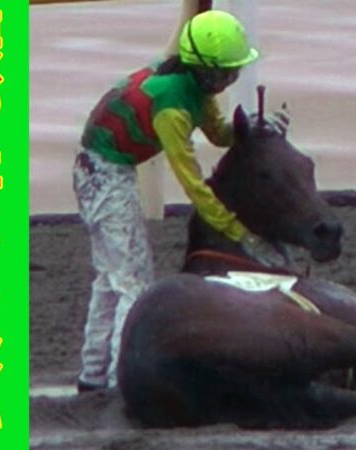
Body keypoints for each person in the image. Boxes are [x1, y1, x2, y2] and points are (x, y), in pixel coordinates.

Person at [73, 10, 281, 392]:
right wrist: (241, 233)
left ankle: (93, 374)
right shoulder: (171, 108)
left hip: (102, 167)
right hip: (102, 174)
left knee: (111, 279)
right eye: (226, 73)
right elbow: (194, 185)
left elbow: (219, 134)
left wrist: (249, 127)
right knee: (134, 283)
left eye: (235, 72)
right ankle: (122, 381)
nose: (231, 80)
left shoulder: (195, 87)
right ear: (203, 69)